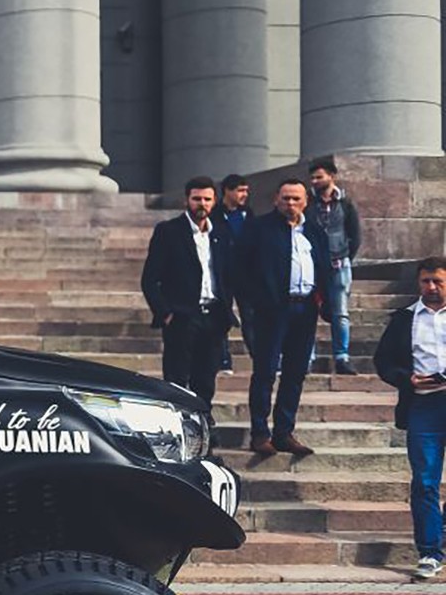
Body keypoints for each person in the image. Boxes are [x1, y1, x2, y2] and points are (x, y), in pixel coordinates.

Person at [235, 178, 334, 457]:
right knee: (265, 372)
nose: (290, 204)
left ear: (306, 202)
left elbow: (324, 268)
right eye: (285, 198)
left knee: (295, 373)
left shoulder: (314, 231)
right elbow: (239, 268)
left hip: (305, 310)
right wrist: (256, 302)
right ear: (275, 200)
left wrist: (325, 302)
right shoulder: (259, 228)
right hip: (271, 310)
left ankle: (284, 432)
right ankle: (259, 432)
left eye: (295, 199)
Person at [374, 257, 446, 580]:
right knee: (425, 480)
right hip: (423, 406)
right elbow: (383, 361)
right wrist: (407, 379)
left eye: (438, 282)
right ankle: (430, 551)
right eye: (426, 282)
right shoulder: (404, 319)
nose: (431, 288)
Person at [140, 177, 234, 406]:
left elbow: (229, 274)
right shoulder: (168, 231)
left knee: (206, 380)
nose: (202, 204)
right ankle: (179, 428)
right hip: (182, 317)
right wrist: (165, 313)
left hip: (213, 317)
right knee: (176, 380)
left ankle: (203, 427)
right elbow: (150, 279)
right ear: (187, 200)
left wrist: (227, 309)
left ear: (214, 201)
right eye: (196, 199)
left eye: (207, 199)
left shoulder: (221, 232)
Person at [308, 155, 363, 375]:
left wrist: (346, 255)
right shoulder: (308, 202)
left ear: (332, 177)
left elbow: (355, 234)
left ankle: (342, 357)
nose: (314, 181)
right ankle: (308, 357)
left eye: (318, 177)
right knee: (308, 311)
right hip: (312, 264)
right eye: (312, 177)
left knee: (340, 312)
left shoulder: (346, 203)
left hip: (339, 262)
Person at [212, 173, 254, 372]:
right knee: (221, 317)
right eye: (240, 190)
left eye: (246, 190)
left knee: (251, 317)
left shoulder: (249, 214)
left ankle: (258, 356)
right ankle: (223, 360)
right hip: (222, 273)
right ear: (227, 191)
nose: (244, 194)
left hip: (246, 274)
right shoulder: (215, 215)